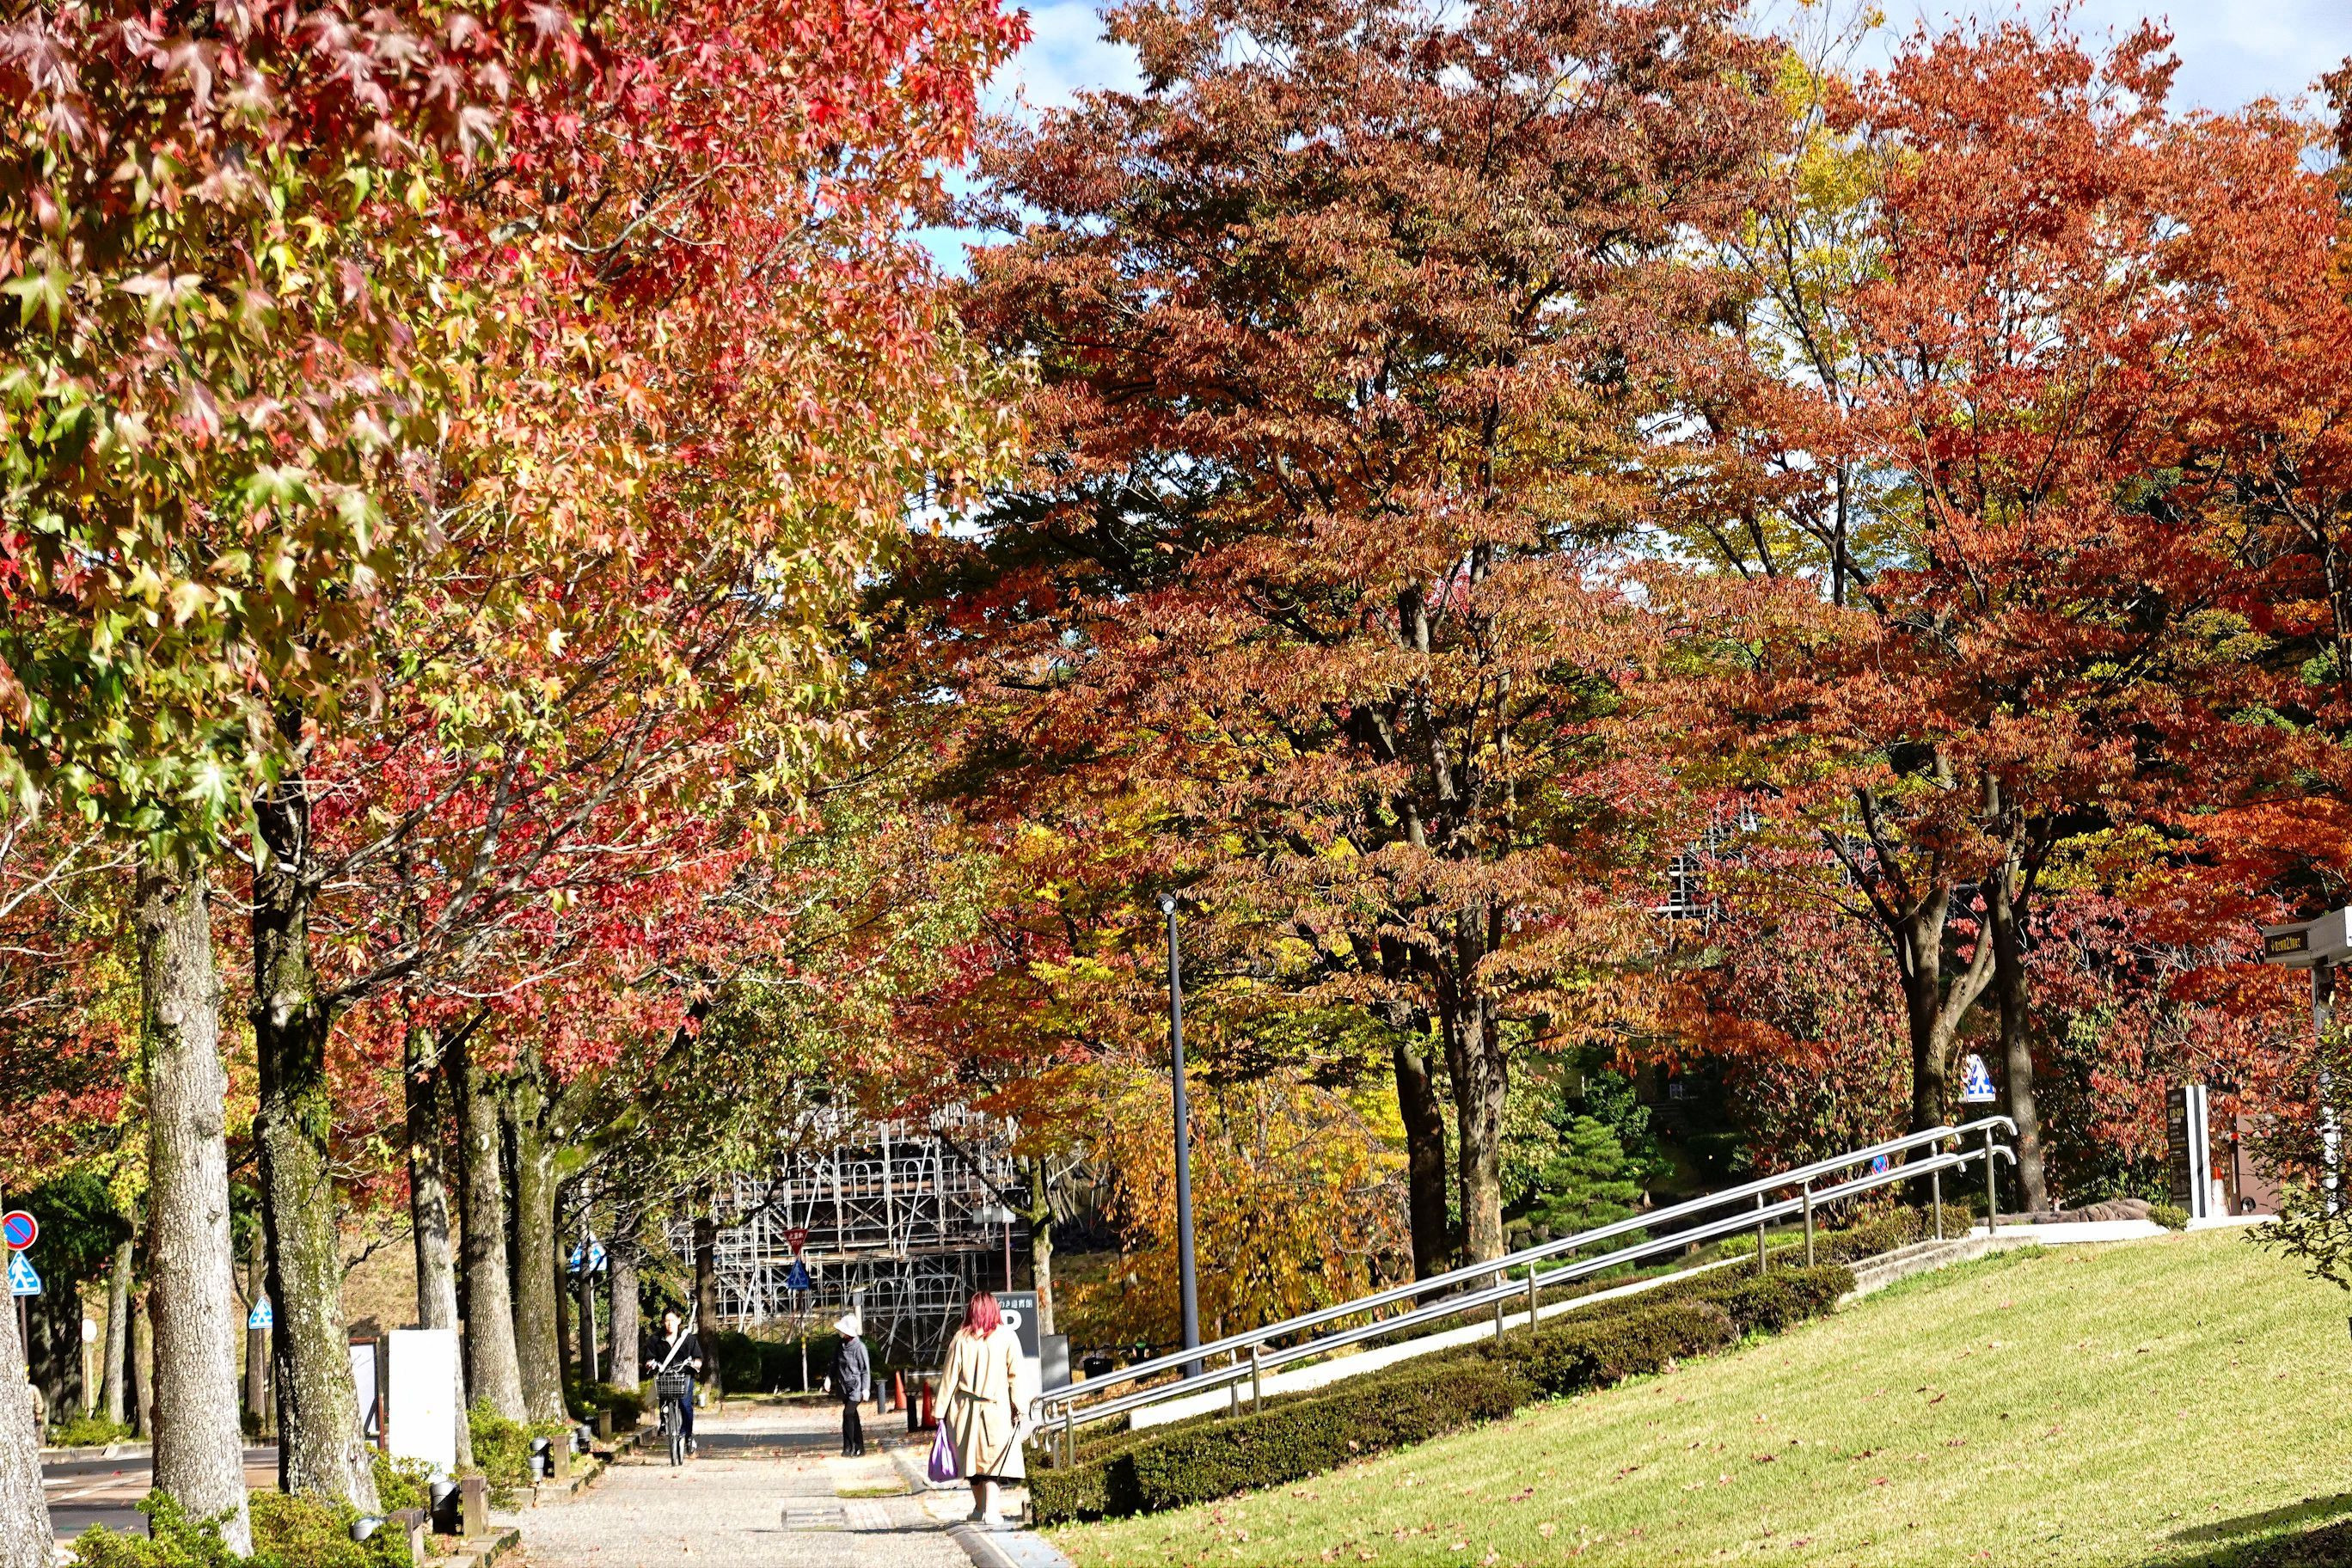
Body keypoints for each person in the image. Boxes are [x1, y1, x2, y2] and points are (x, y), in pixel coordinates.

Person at [935, 1290, 1028, 1525]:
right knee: (992, 1463)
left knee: (971, 1462)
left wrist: (939, 1411)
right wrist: (1020, 1406)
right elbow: (1016, 1375)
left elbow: (948, 1377)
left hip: (964, 1410)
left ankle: (979, 1508)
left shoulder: (960, 1339)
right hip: (996, 1409)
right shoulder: (1007, 1336)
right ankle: (991, 1511)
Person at [646, 1307, 704, 1455]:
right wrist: (650, 1363)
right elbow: (648, 1357)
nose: (669, 1324)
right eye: (666, 1321)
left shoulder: (688, 1338)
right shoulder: (655, 1339)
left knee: (686, 1405)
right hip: (665, 1376)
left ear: (679, 1320)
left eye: (672, 1320)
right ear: (662, 1322)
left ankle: (688, 1434)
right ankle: (664, 1422)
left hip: (684, 1375)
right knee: (664, 1399)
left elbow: (698, 1356)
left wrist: (696, 1363)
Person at [833, 1313, 871, 1456]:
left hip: (856, 1387)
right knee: (853, 1416)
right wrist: (829, 1378)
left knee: (848, 1413)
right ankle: (857, 1447)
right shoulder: (840, 1345)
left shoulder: (860, 1347)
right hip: (844, 1386)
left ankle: (849, 1446)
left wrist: (865, 1388)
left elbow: (865, 1369)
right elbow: (834, 1363)